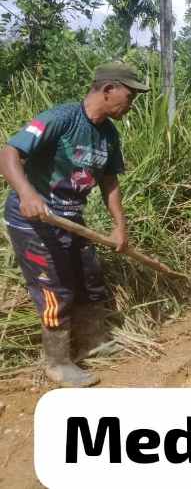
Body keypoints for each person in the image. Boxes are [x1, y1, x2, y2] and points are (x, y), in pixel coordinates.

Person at [0, 62, 149, 387]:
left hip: (70, 218)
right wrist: (26, 194)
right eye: (130, 94)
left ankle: (92, 341)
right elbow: (9, 153)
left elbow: (109, 182)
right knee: (54, 289)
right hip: (34, 221)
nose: (132, 102)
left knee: (90, 277)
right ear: (108, 89)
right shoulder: (61, 118)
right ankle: (57, 362)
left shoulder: (108, 134)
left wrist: (120, 227)